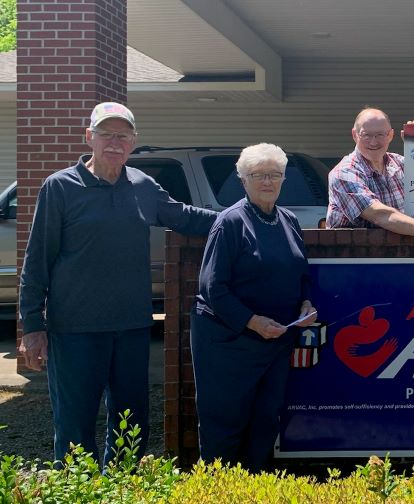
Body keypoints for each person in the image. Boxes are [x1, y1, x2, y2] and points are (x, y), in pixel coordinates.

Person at [18, 102, 217, 466]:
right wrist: (32, 327)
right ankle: (80, 489)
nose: (114, 142)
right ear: (89, 137)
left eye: (122, 136)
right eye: (106, 134)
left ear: (133, 141)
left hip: (131, 325)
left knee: (131, 420)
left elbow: (182, 215)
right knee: (75, 423)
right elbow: (37, 260)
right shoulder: (60, 187)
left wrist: (236, 217)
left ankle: (120, 484)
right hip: (74, 328)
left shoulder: (142, 185)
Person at [191, 143, 317, 473]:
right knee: (225, 428)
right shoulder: (230, 222)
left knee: (265, 424)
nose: (267, 182)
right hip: (229, 343)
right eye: (259, 175)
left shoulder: (288, 220)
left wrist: (305, 303)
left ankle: (255, 489)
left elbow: (300, 273)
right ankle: (218, 492)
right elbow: (212, 288)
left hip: (275, 343)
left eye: (274, 174)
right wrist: (252, 321)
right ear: (243, 179)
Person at [326, 107, 414, 242]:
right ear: (355, 135)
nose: (373, 142)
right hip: (354, 263)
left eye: (380, 134)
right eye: (366, 135)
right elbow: (380, 215)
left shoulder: (399, 163)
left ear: (390, 135)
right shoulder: (344, 173)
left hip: (403, 258)